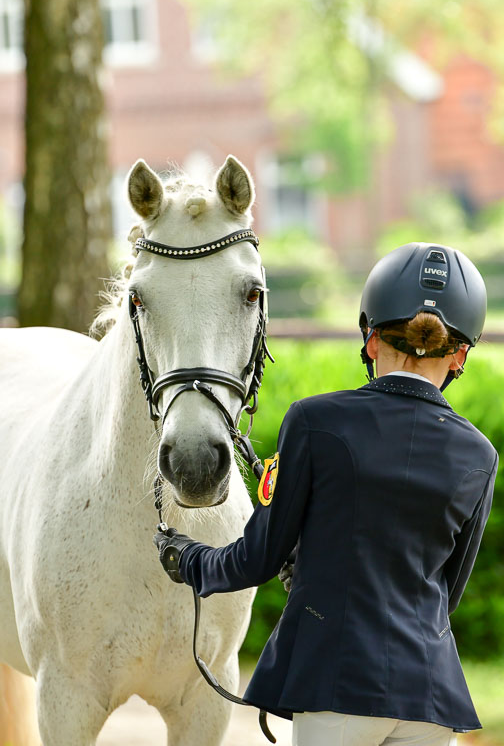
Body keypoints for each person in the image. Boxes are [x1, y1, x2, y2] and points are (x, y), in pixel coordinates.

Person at [154, 242, 497, 746]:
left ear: (371, 339)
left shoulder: (315, 421)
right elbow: (445, 592)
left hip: (337, 686)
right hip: (428, 694)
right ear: (461, 355)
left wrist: (189, 561)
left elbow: (256, 560)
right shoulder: (480, 453)